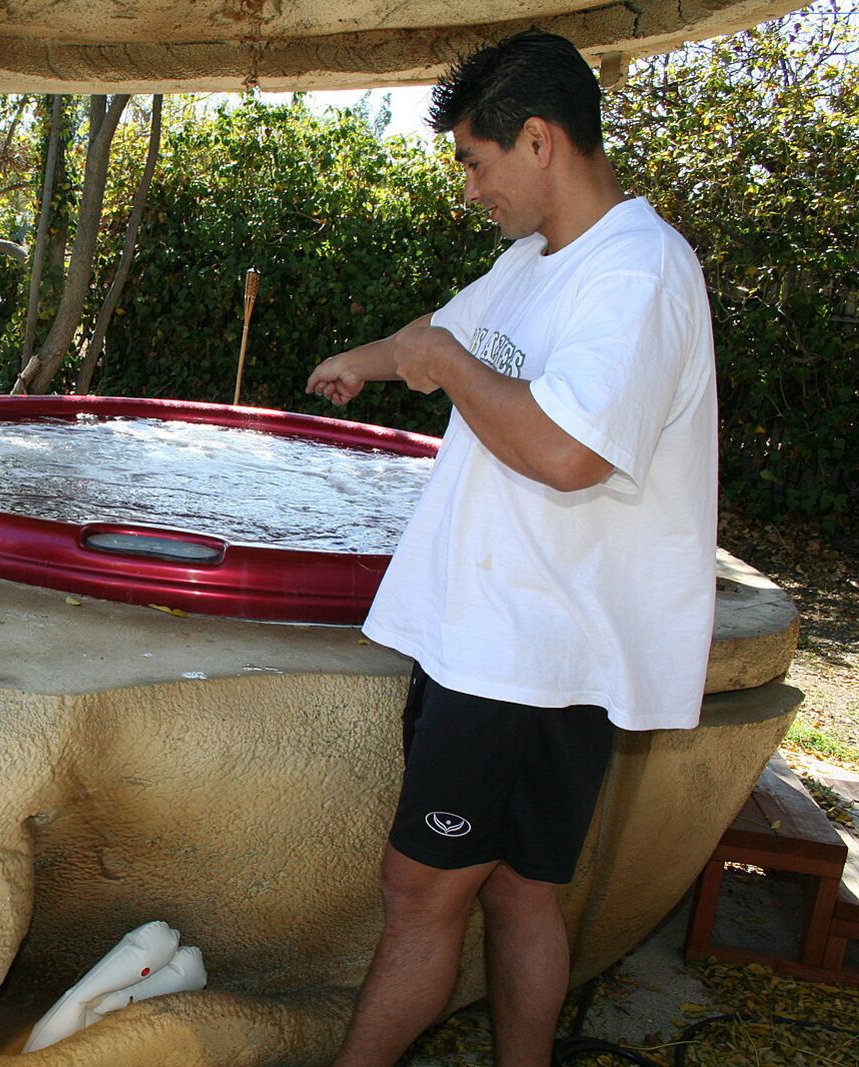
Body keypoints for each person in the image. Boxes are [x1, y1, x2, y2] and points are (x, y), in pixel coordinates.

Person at [306, 31, 717, 1066]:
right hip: (521, 644)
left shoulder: (637, 274)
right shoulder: (534, 263)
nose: (470, 190)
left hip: (521, 654)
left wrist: (442, 357)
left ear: (538, 141)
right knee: (522, 892)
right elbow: (429, 339)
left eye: (476, 163)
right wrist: (360, 363)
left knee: (417, 893)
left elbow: (566, 451)